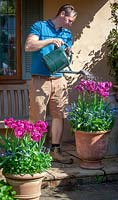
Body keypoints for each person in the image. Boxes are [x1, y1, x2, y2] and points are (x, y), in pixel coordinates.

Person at [25, 4, 77, 164]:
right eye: (69, 20)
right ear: (62, 14)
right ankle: (34, 153)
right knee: (37, 116)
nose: (70, 24)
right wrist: (50, 41)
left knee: (59, 116)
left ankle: (55, 151)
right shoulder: (39, 27)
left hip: (59, 79)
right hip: (40, 79)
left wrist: (68, 54)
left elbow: (65, 57)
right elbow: (29, 46)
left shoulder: (67, 34)